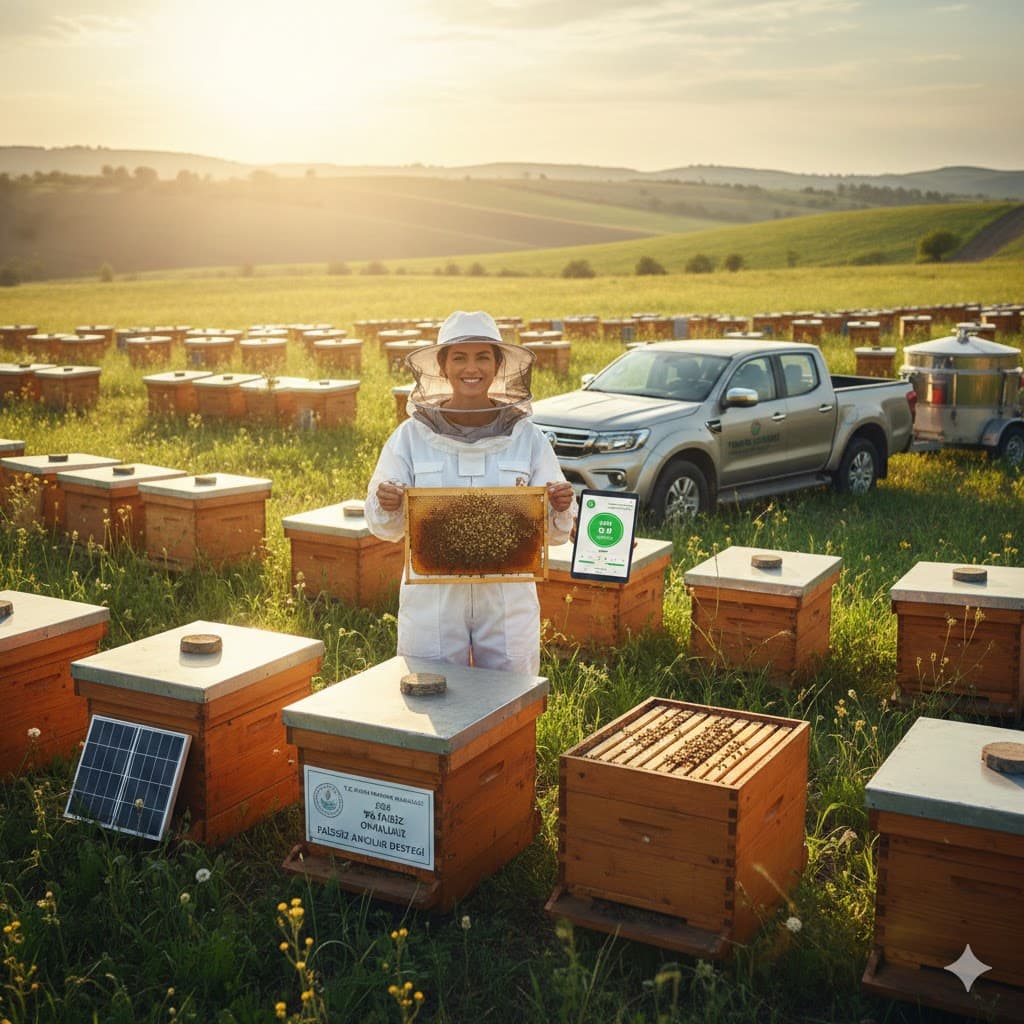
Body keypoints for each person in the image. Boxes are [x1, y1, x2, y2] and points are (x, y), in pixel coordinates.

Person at [365, 310, 576, 675]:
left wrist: (559, 504)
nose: (471, 368)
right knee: (433, 693)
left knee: (511, 696)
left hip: (507, 595)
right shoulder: (411, 437)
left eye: (482, 357)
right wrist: (388, 500)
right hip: (433, 595)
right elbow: (383, 526)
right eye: (459, 357)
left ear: (498, 365)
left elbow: (557, 533)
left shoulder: (527, 436)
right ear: (443, 367)